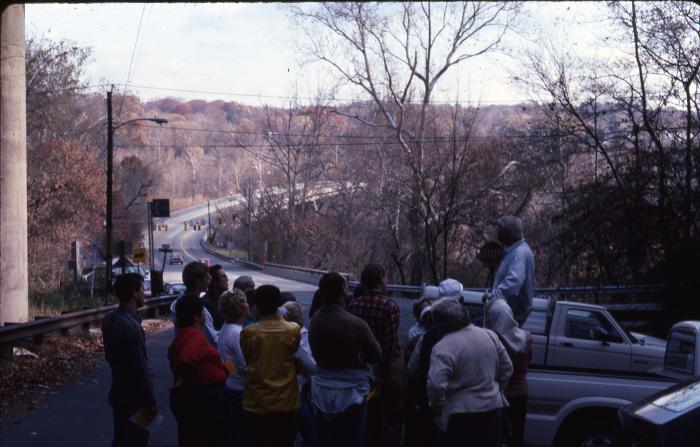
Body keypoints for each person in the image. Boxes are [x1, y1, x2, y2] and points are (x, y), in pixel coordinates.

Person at [308, 272, 382, 447]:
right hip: (351, 392)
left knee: (325, 438)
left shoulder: (315, 321)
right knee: (351, 439)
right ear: (343, 289)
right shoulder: (355, 324)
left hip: (321, 390)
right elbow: (376, 354)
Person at [427, 298, 513, 447]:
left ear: (441, 323)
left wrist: (438, 408)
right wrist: (496, 389)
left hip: (460, 414)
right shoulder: (490, 335)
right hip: (493, 410)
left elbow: (436, 385)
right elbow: (507, 368)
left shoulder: (443, 347)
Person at [346, 263, 404, 447]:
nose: (387, 282)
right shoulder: (389, 307)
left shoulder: (354, 304)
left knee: (367, 418)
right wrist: (381, 374)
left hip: (361, 368)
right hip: (386, 371)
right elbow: (389, 344)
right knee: (389, 419)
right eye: (385, 278)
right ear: (380, 280)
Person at [240, 285, 301, 447]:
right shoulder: (293, 330)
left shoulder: (249, 332)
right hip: (286, 400)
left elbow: (248, 359)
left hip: (257, 400)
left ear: (257, 306)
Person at [405, 296, 468, 447]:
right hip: (456, 400)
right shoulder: (469, 335)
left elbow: (412, 368)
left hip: (431, 399)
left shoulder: (427, 336)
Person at [102, 273, 155, 447]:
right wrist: (150, 400)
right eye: (142, 288)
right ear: (133, 293)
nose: (144, 293)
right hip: (136, 398)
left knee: (120, 439)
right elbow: (140, 367)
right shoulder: (131, 327)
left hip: (119, 392)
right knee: (137, 440)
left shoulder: (110, 318)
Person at [168, 294, 228, 447]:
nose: (204, 316)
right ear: (196, 316)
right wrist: (183, 380)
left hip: (198, 396)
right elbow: (186, 358)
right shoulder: (195, 337)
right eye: (202, 312)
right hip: (206, 397)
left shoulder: (182, 335)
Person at [485, 295, 532, 447]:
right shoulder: (527, 337)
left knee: (497, 436)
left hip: (498, 394)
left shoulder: (490, 340)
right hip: (520, 393)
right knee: (517, 435)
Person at [282, 301, 318, 447]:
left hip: (299, 390)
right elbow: (312, 367)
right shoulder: (293, 338)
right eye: (297, 317)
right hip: (296, 391)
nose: (301, 319)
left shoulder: (301, 332)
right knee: (311, 433)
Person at [488, 215, 535, 326]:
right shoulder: (514, 251)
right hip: (509, 310)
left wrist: (493, 296)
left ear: (508, 233)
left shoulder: (519, 254)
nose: (497, 232)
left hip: (511, 312)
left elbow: (514, 281)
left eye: (500, 230)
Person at [217, 289, 250, 447]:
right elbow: (245, 365)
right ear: (244, 309)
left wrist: (232, 374)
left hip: (230, 386)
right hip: (241, 392)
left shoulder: (225, 329)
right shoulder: (238, 334)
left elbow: (228, 361)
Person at [170, 261, 218, 347]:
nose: (210, 280)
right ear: (198, 281)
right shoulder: (196, 309)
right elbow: (212, 340)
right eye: (207, 277)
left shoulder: (178, 303)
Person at [202, 264, 228, 330]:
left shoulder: (226, 300)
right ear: (214, 281)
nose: (227, 279)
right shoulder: (206, 304)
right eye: (223, 277)